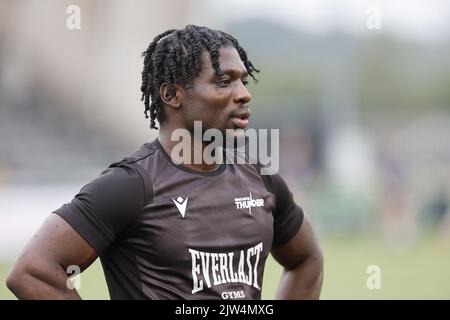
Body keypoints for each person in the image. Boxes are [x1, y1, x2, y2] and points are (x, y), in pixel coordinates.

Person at [6, 25, 323, 300]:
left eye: (243, 81)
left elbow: (307, 259)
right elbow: (34, 271)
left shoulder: (260, 177)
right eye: (224, 81)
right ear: (172, 95)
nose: (243, 94)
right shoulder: (132, 185)